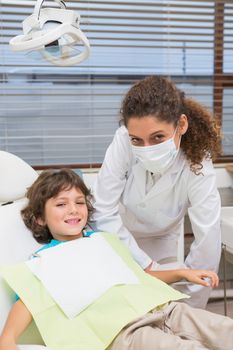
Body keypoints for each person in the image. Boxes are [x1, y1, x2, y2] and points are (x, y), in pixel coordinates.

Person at [0, 169, 232, 350]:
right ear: (40, 218)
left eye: (79, 202)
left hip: (163, 309)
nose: (73, 209)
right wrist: (7, 339)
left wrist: (183, 273)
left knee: (224, 330)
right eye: (61, 204)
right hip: (123, 331)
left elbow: (140, 277)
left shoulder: (103, 241)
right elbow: (30, 301)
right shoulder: (45, 260)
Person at [93, 75, 222, 308]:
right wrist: (145, 264)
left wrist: (191, 310)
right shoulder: (123, 141)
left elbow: (208, 238)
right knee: (126, 303)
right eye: (137, 140)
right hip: (119, 234)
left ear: (181, 125)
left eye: (158, 137)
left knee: (169, 305)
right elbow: (102, 210)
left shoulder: (198, 163)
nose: (147, 149)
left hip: (163, 238)